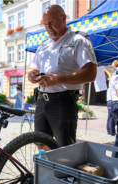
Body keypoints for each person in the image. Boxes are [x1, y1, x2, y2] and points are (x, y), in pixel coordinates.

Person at [27, 5, 97, 148]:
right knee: (41, 145)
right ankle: (45, 171)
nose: (48, 27)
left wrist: (58, 79)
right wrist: (32, 75)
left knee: (64, 149)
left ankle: (61, 171)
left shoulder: (78, 40)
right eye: (45, 24)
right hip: (41, 101)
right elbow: (35, 69)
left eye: (51, 22)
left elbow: (91, 74)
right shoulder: (43, 45)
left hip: (63, 102)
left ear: (64, 18)